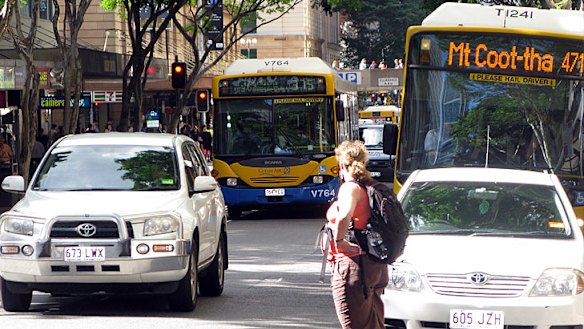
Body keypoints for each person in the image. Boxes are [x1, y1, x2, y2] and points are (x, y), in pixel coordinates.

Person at [326, 140, 388, 329]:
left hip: (355, 266)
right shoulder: (371, 186)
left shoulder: (350, 188)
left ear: (342, 165)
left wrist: (339, 241)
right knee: (373, 325)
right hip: (374, 265)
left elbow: (345, 215)